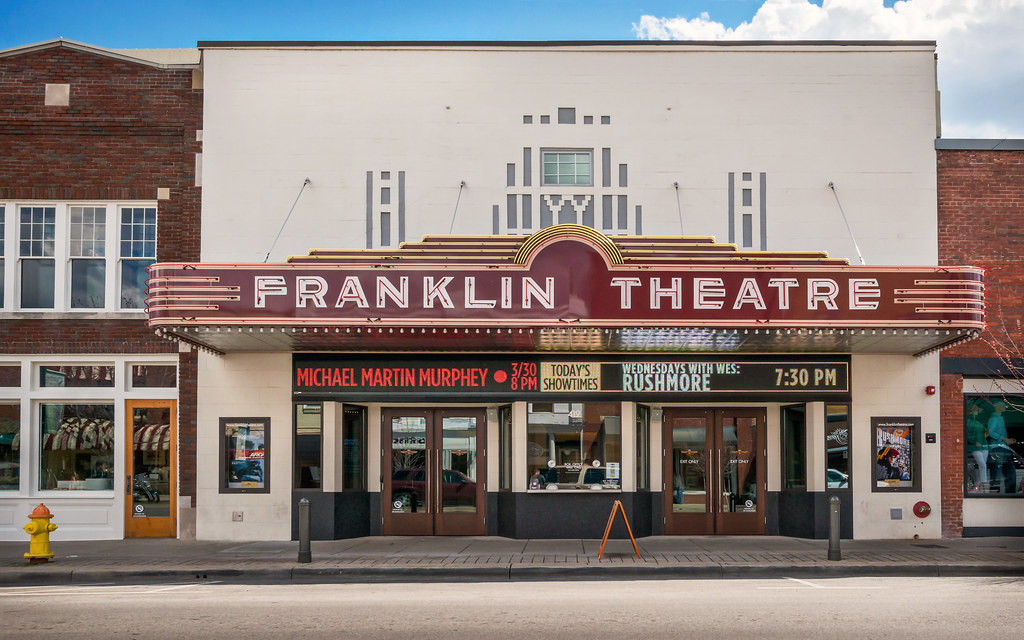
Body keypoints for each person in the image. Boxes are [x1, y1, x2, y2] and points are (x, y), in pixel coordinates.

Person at [987, 400, 1018, 493]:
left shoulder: (1000, 418)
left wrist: (1007, 440)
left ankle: (1010, 495)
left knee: (1010, 474)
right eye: (1003, 405)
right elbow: (990, 432)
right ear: (996, 406)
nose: (1005, 407)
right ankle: (995, 495)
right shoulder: (994, 418)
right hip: (997, 449)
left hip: (1004, 449)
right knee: (997, 475)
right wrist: (1004, 439)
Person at [965, 403, 988, 489]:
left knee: (982, 466)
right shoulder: (968, 421)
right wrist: (974, 441)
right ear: (971, 411)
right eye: (976, 410)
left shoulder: (978, 421)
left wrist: (985, 435)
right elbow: (966, 434)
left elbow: (985, 432)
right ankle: (984, 487)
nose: (978, 412)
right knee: (982, 465)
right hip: (975, 447)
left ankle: (978, 485)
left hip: (984, 445)